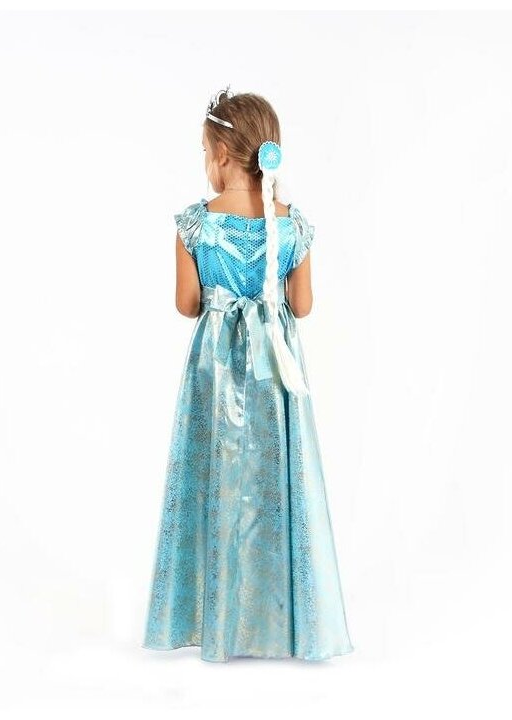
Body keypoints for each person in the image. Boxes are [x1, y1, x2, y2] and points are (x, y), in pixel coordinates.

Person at [142, 86, 354, 663]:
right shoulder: (293, 226)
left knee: (216, 478)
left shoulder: (196, 224)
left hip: (214, 375)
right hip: (275, 374)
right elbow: (301, 306)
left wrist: (222, 294)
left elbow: (187, 304)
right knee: (275, 487)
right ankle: (280, 620)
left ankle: (217, 619)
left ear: (220, 154)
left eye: (203, 151)